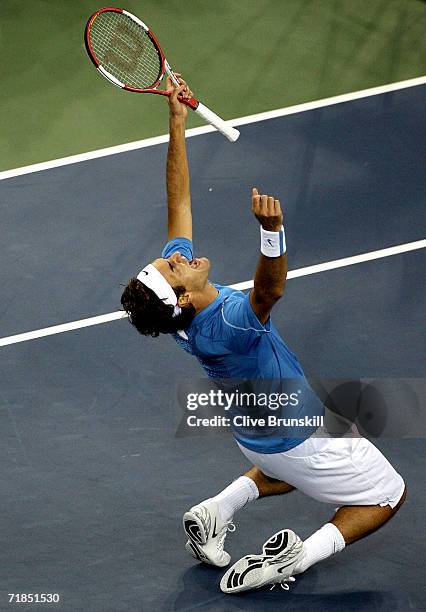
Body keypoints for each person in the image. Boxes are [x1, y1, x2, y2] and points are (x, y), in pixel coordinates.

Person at [121, 75, 406, 594]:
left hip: (255, 432)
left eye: (171, 256)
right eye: (174, 266)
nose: (179, 255)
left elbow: (178, 203)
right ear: (181, 296)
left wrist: (176, 124)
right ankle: (294, 561)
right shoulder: (225, 323)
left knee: (287, 462)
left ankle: (216, 511)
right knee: (387, 494)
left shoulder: (182, 309)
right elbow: (269, 292)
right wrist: (271, 233)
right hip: (300, 436)